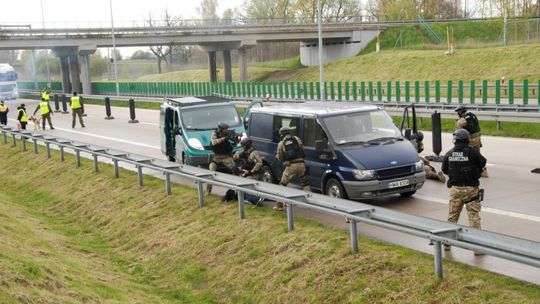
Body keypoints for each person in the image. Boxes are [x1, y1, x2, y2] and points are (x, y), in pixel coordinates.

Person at [442, 129, 487, 256]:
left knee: (452, 217)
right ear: (467, 139)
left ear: (455, 140)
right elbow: (483, 163)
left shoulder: (449, 153)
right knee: (474, 217)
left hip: (456, 190)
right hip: (471, 190)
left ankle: (446, 243)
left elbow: (444, 169)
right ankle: (477, 248)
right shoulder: (473, 152)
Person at [273, 126, 310, 211]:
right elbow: (301, 148)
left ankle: (279, 205)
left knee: (282, 184)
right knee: (305, 183)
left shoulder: (281, 143)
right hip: (301, 164)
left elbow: (279, 156)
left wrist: (278, 157)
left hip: (291, 166)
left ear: (282, 134)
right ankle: (309, 203)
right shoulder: (296, 138)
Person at [206, 122, 239, 195]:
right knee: (211, 172)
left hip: (226, 156)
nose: (226, 130)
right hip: (216, 157)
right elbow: (214, 142)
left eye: (227, 129)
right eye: (225, 129)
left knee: (236, 170)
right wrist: (224, 138)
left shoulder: (227, 134)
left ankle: (238, 190)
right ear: (221, 129)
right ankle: (208, 190)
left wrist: (236, 138)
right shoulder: (215, 133)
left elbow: (235, 142)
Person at [455, 105, 487, 177]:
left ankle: (470, 171)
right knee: (477, 154)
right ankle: (482, 170)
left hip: (471, 140)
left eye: (458, 112)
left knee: (467, 155)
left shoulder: (462, 120)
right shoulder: (472, 115)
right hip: (477, 139)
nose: (457, 114)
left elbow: (458, 131)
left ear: (460, 112)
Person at [233, 137, 264, 205]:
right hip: (247, 171)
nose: (242, 147)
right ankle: (241, 196)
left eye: (243, 146)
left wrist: (251, 171)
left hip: (255, 174)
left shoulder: (254, 153)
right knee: (237, 180)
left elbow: (259, 163)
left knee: (246, 182)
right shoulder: (245, 151)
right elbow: (237, 156)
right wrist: (235, 155)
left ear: (247, 145)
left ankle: (255, 198)